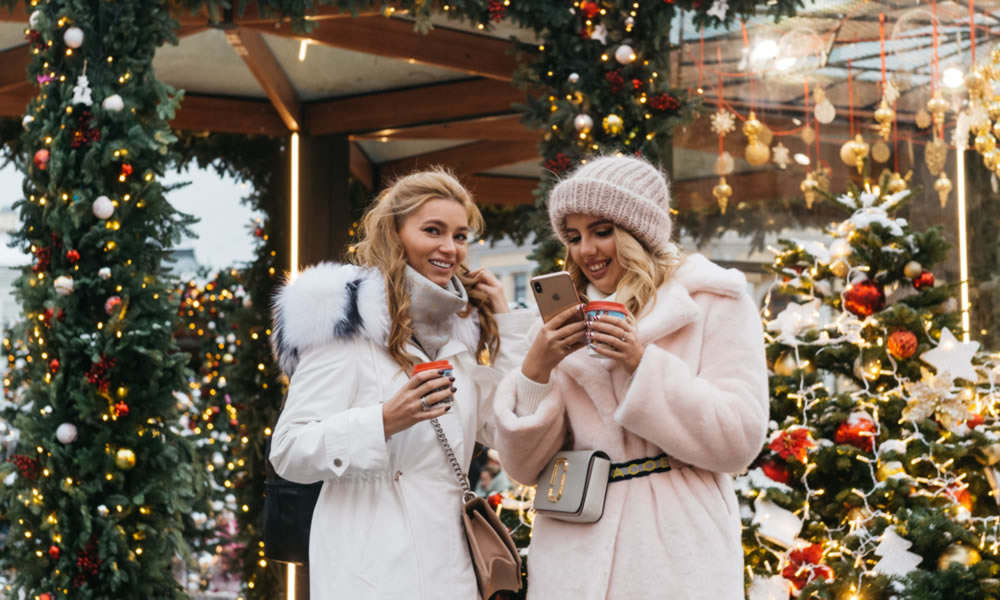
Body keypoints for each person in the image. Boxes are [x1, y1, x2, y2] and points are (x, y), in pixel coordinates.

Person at [492, 155, 769, 599]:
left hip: (678, 551)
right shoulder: (557, 324)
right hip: (573, 551)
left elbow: (739, 438)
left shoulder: (714, 300)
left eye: (602, 231)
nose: (586, 250)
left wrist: (642, 364)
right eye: (575, 236)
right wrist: (536, 369)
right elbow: (523, 468)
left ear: (638, 231)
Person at [269, 168, 533, 599]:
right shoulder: (347, 329)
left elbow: (505, 429)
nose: (450, 247)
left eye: (461, 235)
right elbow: (288, 450)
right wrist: (382, 421)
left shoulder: (458, 338)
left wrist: (507, 323)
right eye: (433, 230)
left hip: (450, 570)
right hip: (369, 570)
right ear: (396, 233)